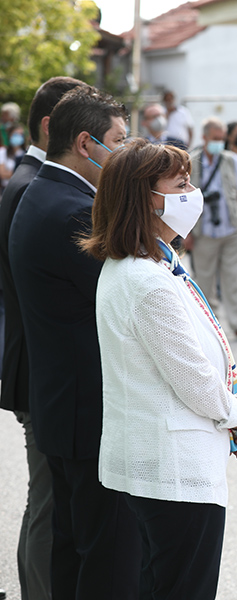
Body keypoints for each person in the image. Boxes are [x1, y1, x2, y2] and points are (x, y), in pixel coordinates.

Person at [82, 138, 237, 598]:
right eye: (180, 185)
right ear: (144, 197)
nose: (192, 193)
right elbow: (192, 376)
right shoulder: (146, 281)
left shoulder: (151, 263)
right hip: (175, 470)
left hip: (161, 463)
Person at [8, 84, 142, 599]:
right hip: (89, 411)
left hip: (65, 401)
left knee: (72, 546)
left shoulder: (47, 190)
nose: (125, 151)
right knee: (104, 556)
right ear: (86, 143)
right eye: (120, 140)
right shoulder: (74, 210)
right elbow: (129, 307)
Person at [0, 74, 83, 600]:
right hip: (41, 365)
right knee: (47, 501)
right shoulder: (33, 184)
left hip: (36, 362)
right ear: (53, 125)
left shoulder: (27, 178)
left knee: (47, 498)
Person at [188, 117, 237, 342]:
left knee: (234, 279)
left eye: (222, 138)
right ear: (204, 137)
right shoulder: (192, 161)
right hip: (204, 230)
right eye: (215, 138)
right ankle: (210, 325)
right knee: (204, 280)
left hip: (231, 229)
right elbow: (185, 199)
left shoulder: (231, 160)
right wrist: (187, 233)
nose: (219, 142)